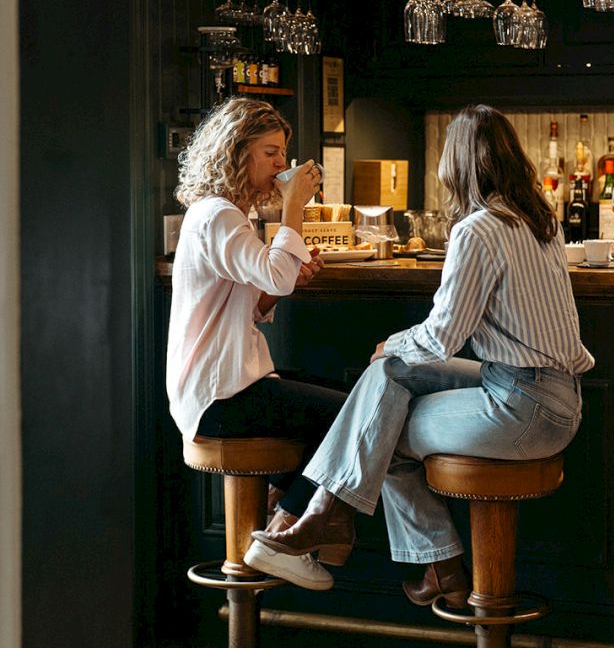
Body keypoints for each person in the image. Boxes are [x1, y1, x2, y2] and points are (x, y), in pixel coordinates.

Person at [250, 104, 594, 608]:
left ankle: (354, 528)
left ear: (455, 165)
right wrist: (394, 354)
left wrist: (393, 343)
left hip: (522, 408)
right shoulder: (537, 218)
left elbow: (443, 337)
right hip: (549, 395)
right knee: (384, 387)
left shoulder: (477, 230)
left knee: (383, 417)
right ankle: (358, 531)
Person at [166, 97, 347, 590]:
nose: (280, 165)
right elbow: (275, 272)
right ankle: (283, 536)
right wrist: (294, 210)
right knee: (348, 415)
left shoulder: (224, 215)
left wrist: (281, 282)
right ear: (235, 153)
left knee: (347, 400)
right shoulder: (218, 216)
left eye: (282, 152)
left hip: (229, 385)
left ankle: (279, 523)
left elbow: (254, 297)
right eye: (270, 152)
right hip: (220, 395)